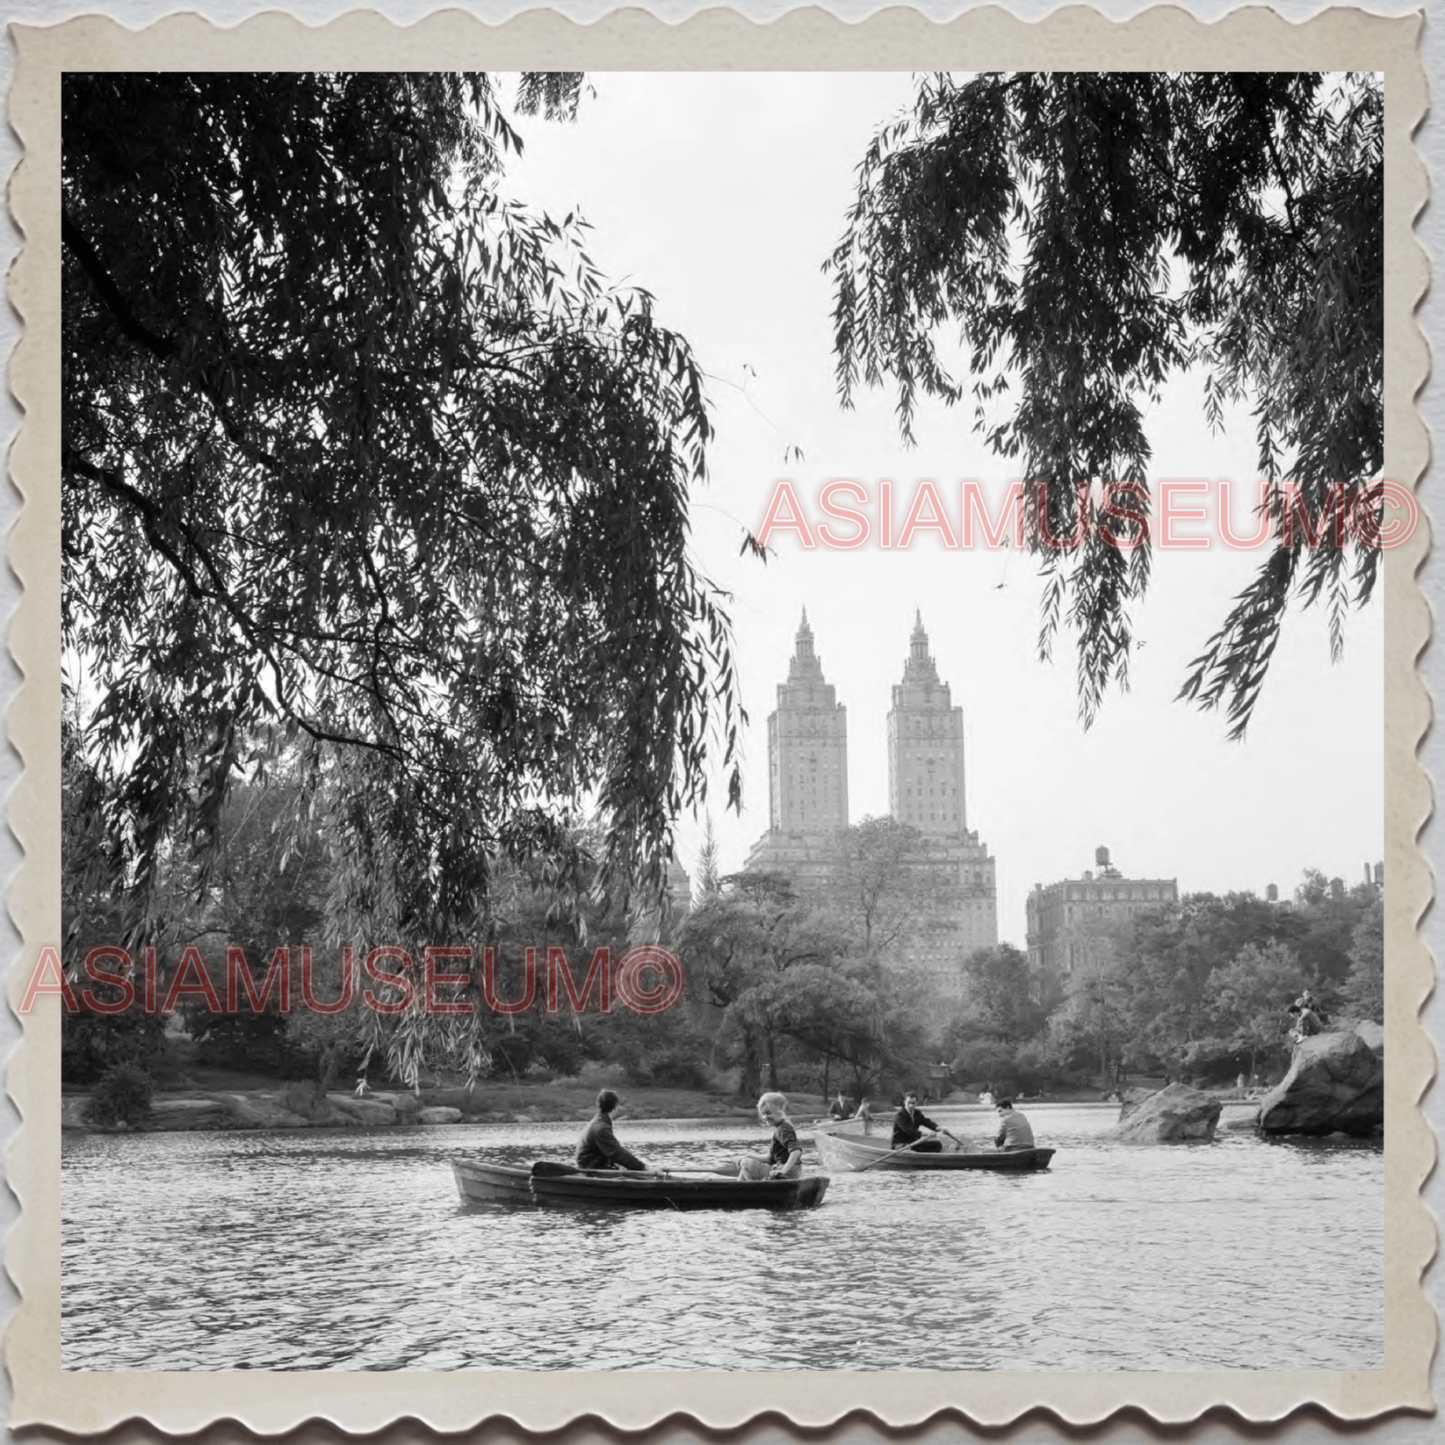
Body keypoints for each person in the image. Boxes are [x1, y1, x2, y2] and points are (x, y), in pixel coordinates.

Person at [576, 1089, 647, 1172]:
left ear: (599, 1105)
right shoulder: (601, 1128)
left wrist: (616, 1165)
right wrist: (644, 1167)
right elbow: (617, 1153)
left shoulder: (598, 1122)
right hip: (591, 1170)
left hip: (592, 1167)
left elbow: (609, 1151)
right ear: (616, 1106)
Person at [738, 1091, 804, 1180]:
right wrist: (750, 1156)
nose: (765, 1117)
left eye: (768, 1113)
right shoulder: (780, 1127)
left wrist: (783, 1170)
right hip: (786, 1171)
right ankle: (739, 1187)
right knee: (746, 1161)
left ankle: (752, 1190)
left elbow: (796, 1151)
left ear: (780, 1109)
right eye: (763, 1114)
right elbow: (769, 1159)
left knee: (745, 1163)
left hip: (787, 1173)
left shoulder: (783, 1128)